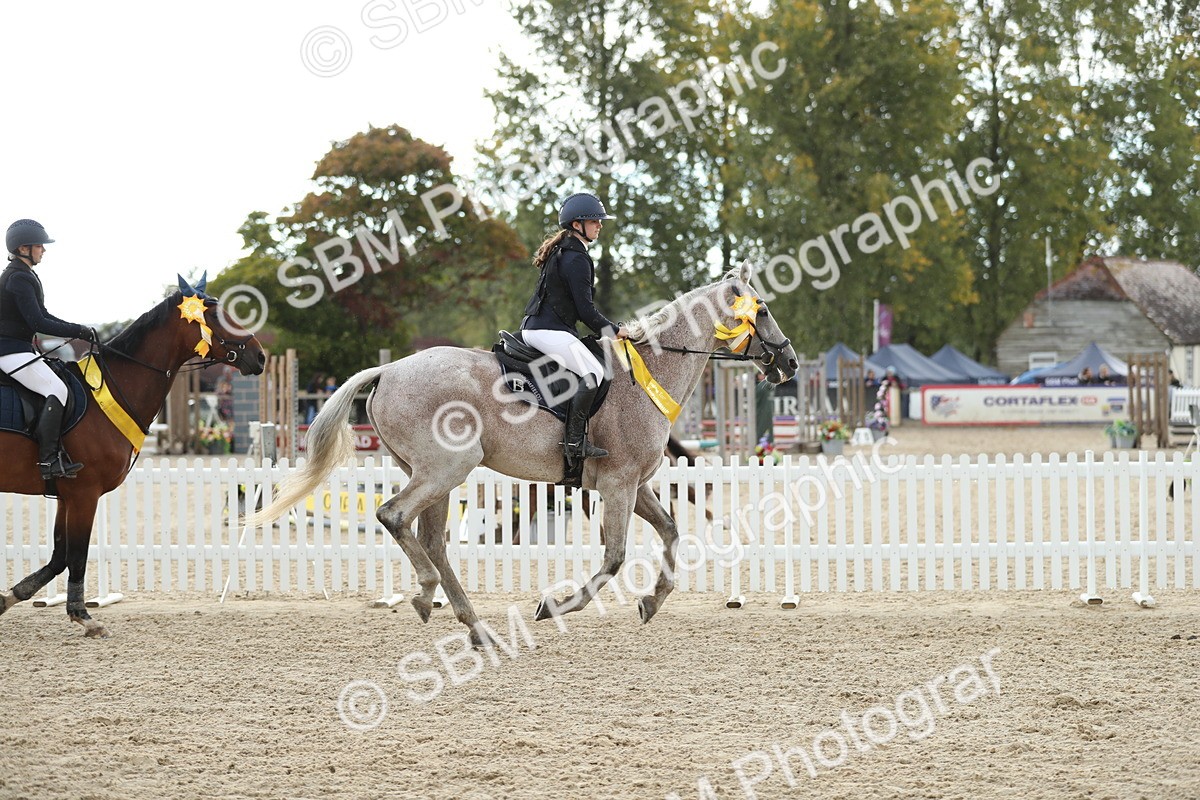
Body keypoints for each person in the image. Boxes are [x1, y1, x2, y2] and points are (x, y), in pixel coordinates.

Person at [521, 192, 628, 468]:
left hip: (539, 327)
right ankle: (573, 441)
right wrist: (614, 331)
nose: (599, 225)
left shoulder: (563, 250)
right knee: (594, 372)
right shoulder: (576, 258)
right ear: (577, 224)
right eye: (594, 221)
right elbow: (585, 311)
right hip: (549, 330)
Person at [0, 219, 96, 479]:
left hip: (19, 349)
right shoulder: (18, 278)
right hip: (9, 351)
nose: (43, 250)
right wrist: (78, 331)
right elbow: (38, 323)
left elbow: (43, 314)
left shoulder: (24, 274)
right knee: (57, 389)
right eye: (39, 246)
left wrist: (79, 328)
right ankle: (48, 461)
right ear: (23, 248)